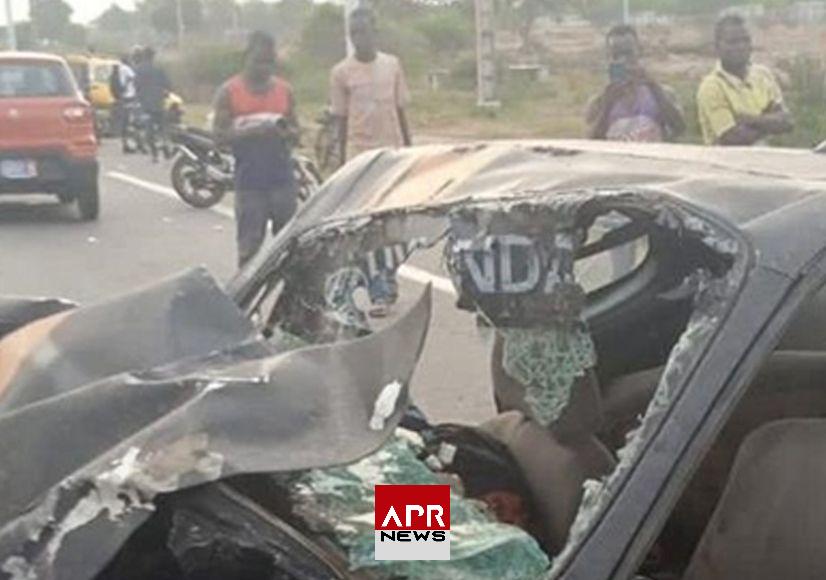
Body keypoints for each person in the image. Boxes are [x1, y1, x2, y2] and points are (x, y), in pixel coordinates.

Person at [212, 31, 300, 267]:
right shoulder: (229, 92)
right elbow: (219, 137)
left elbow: (296, 132)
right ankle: (250, 293)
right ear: (246, 57)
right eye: (258, 61)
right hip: (250, 184)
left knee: (291, 251)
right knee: (249, 252)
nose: (264, 68)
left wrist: (286, 133)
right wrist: (253, 131)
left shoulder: (284, 90)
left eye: (269, 62)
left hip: (282, 180)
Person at [330, 6, 412, 162]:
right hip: (359, 154)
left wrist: (409, 151)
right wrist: (343, 161)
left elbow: (400, 111)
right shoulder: (340, 72)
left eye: (363, 32)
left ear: (375, 32)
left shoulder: (392, 65)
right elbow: (341, 120)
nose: (358, 39)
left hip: (391, 151)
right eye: (353, 33)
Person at [697, 14, 793, 146]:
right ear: (716, 47)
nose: (741, 46)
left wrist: (750, 120)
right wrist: (769, 122)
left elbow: (787, 122)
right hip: (728, 158)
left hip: (765, 156)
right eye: (733, 42)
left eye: (745, 40)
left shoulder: (763, 75)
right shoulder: (712, 86)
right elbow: (731, 137)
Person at [586, 24, 685, 142]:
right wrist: (608, 105)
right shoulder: (598, 101)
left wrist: (653, 87)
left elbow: (679, 128)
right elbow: (591, 141)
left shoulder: (663, 93)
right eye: (616, 55)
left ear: (639, 52)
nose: (623, 60)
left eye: (628, 53)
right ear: (608, 57)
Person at [134, 47, 171, 162]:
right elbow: (168, 84)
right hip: (159, 103)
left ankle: (154, 154)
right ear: (153, 57)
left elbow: (136, 87)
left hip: (146, 105)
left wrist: (139, 99)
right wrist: (164, 93)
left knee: (149, 130)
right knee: (162, 127)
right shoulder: (159, 69)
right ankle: (165, 144)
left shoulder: (139, 70)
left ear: (143, 56)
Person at [109, 53, 136, 154]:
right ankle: (132, 144)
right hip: (129, 96)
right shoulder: (127, 69)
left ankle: (125, 144)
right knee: (131, 120)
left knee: (124, 122)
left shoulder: (117, 69)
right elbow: (133, 78)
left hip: (120, 97)